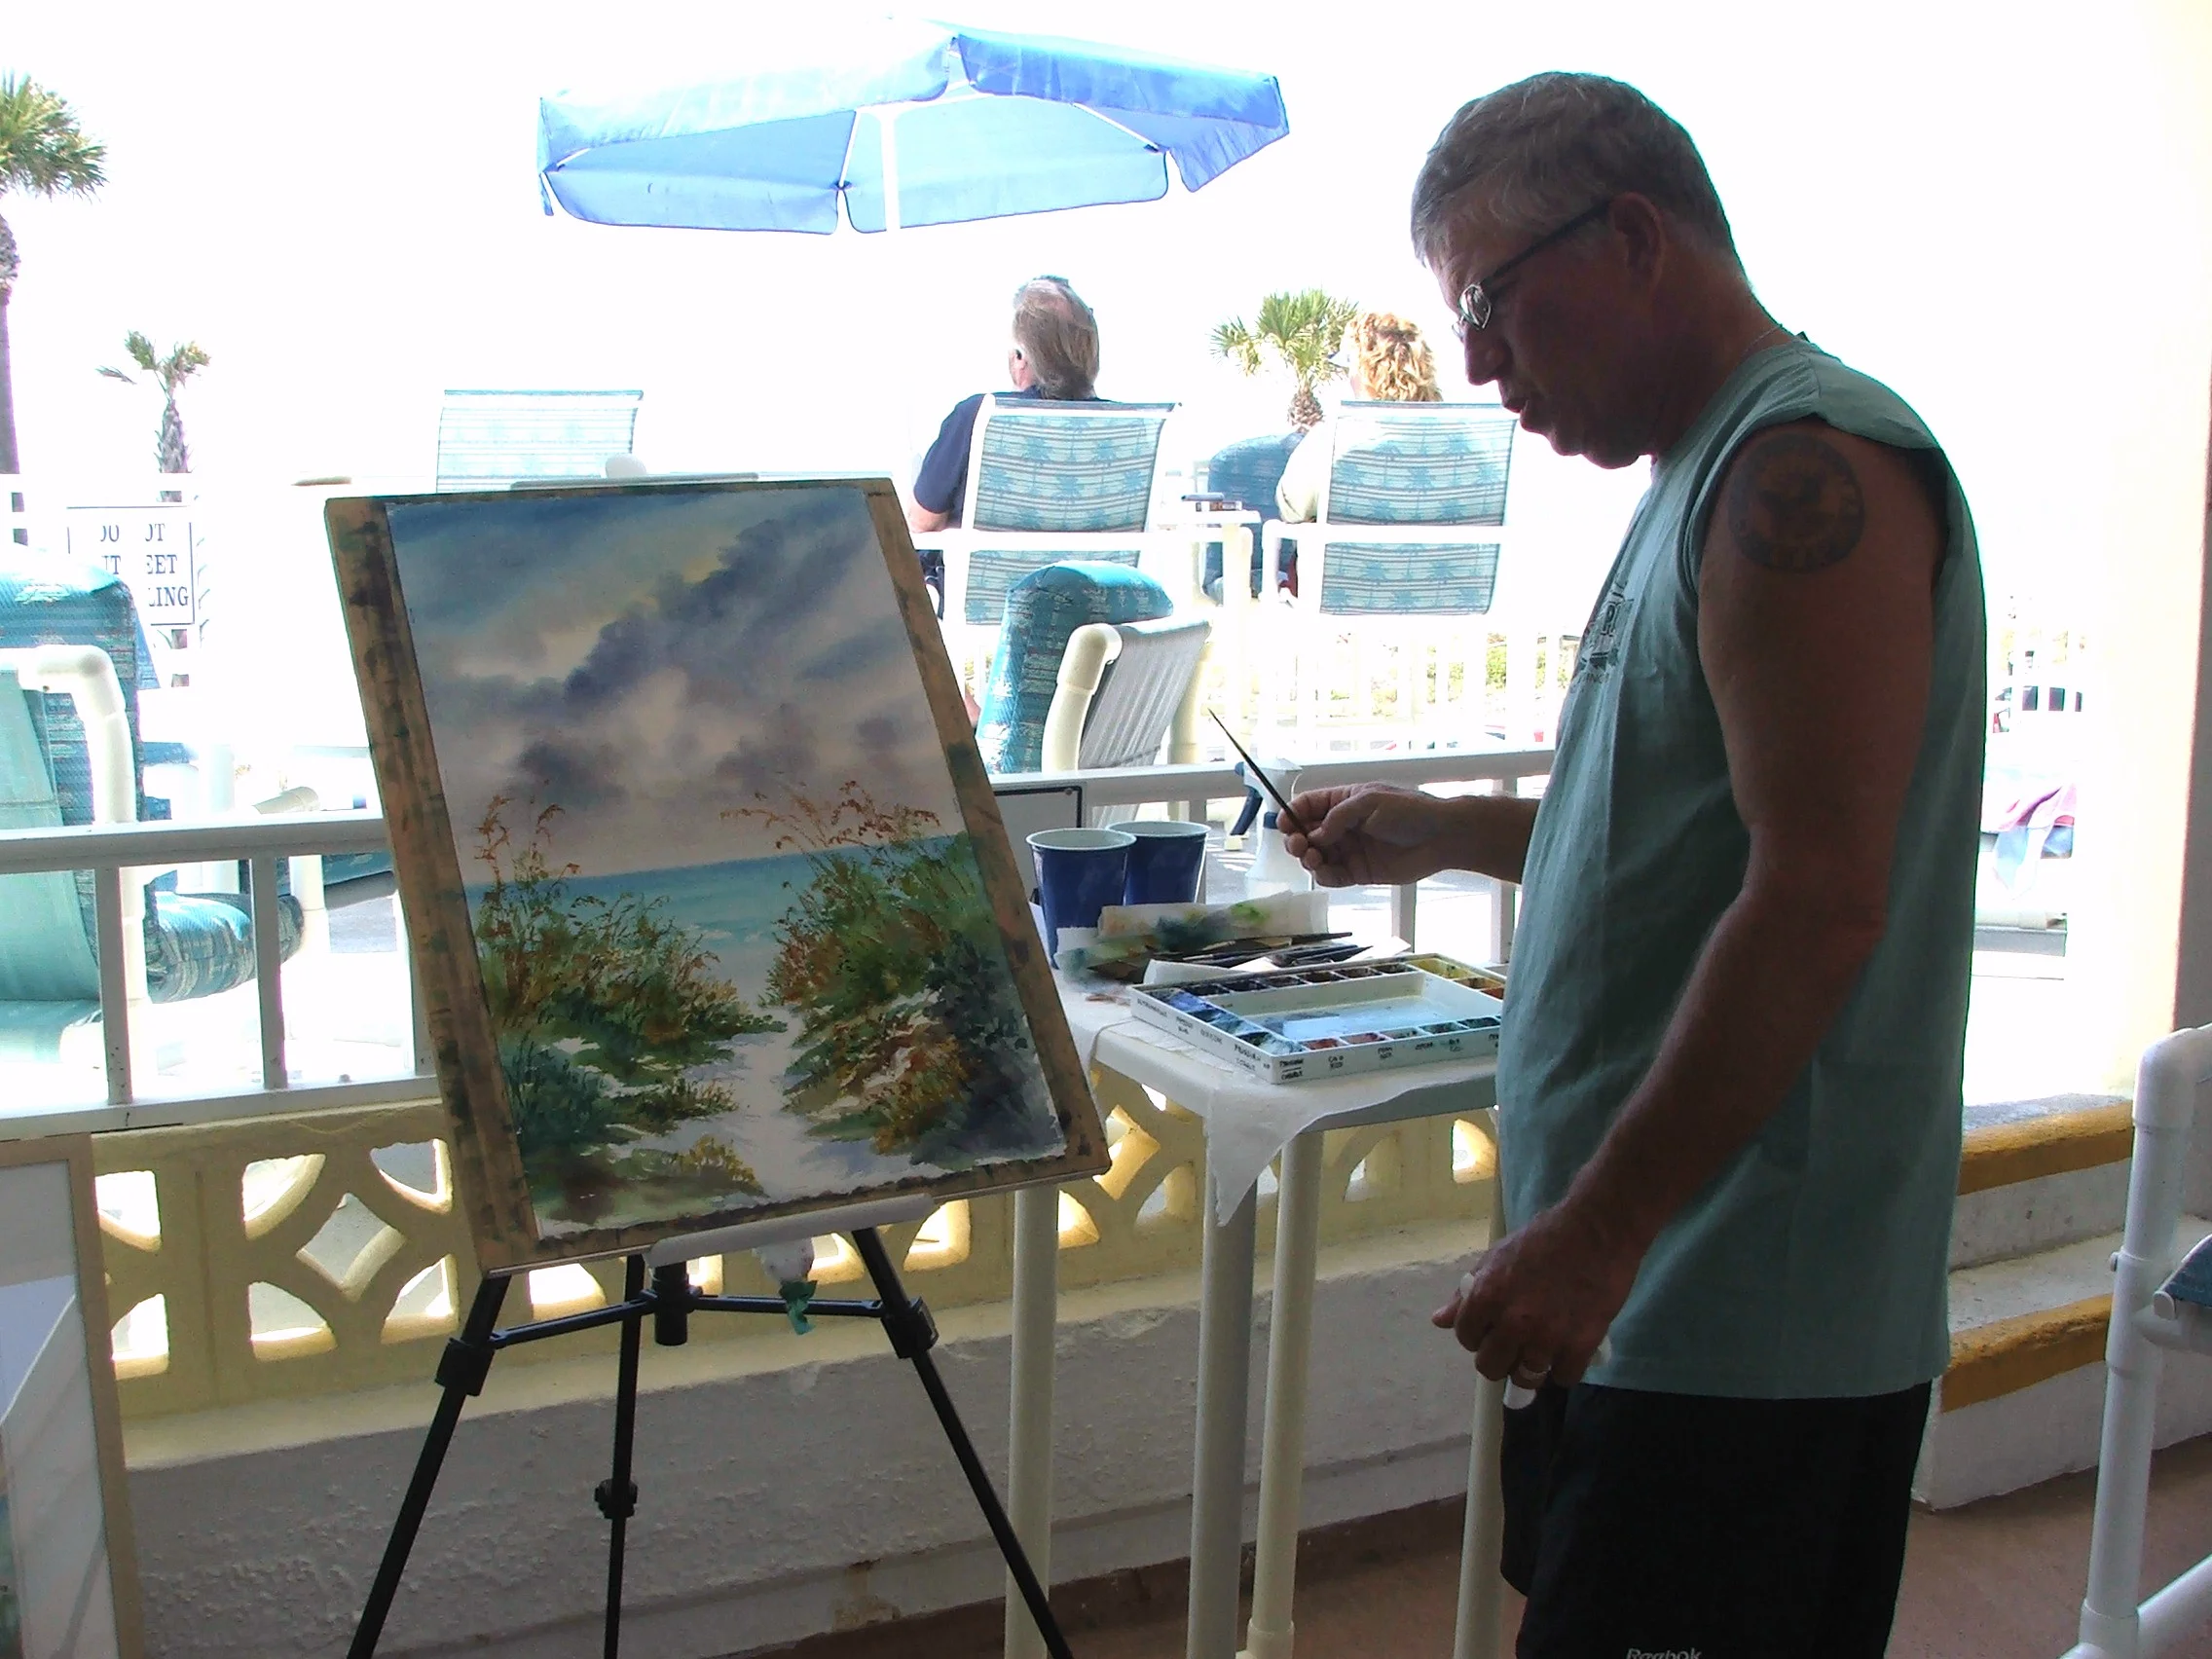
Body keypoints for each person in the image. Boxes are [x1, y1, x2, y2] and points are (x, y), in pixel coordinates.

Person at [1284, 73, 1984, 1657]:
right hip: (1660, 1305)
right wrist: (1447, 826)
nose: (1472, 361)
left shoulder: (1800, 472)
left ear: (1636, 238)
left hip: (1742, 1319)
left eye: (1489, 301)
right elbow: (1691, 850)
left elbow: (1817, 896)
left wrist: (1595, 1233)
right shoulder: (1700, 477)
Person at [907, 276, 1101, 535]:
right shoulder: (1130, 428)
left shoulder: (977, 417)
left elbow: (921, 522)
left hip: (991, 577)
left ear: (1021, 358)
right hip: (1087, 576)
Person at [1274, 308, 1443, 523]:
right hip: (1447, 557)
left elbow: (1292, 508)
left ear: (1362, 369)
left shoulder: (1331, 441)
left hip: (1349, 557)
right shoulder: (1466, 443)